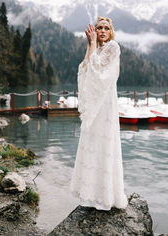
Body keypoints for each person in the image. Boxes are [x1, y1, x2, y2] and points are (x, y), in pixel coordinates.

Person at [70, 17, 128, 210]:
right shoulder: (97, 47)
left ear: (111, 31)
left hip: (105, 103)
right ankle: (90, 196)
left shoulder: (113, 47)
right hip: (95, 103)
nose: (102, 31)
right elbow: (85, 68)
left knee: (103, 142)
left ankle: (105, 196)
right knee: (91, 141)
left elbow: (101, 74)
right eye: (98, 28)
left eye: (106, 28)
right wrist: (90, 45)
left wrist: (93, 43)